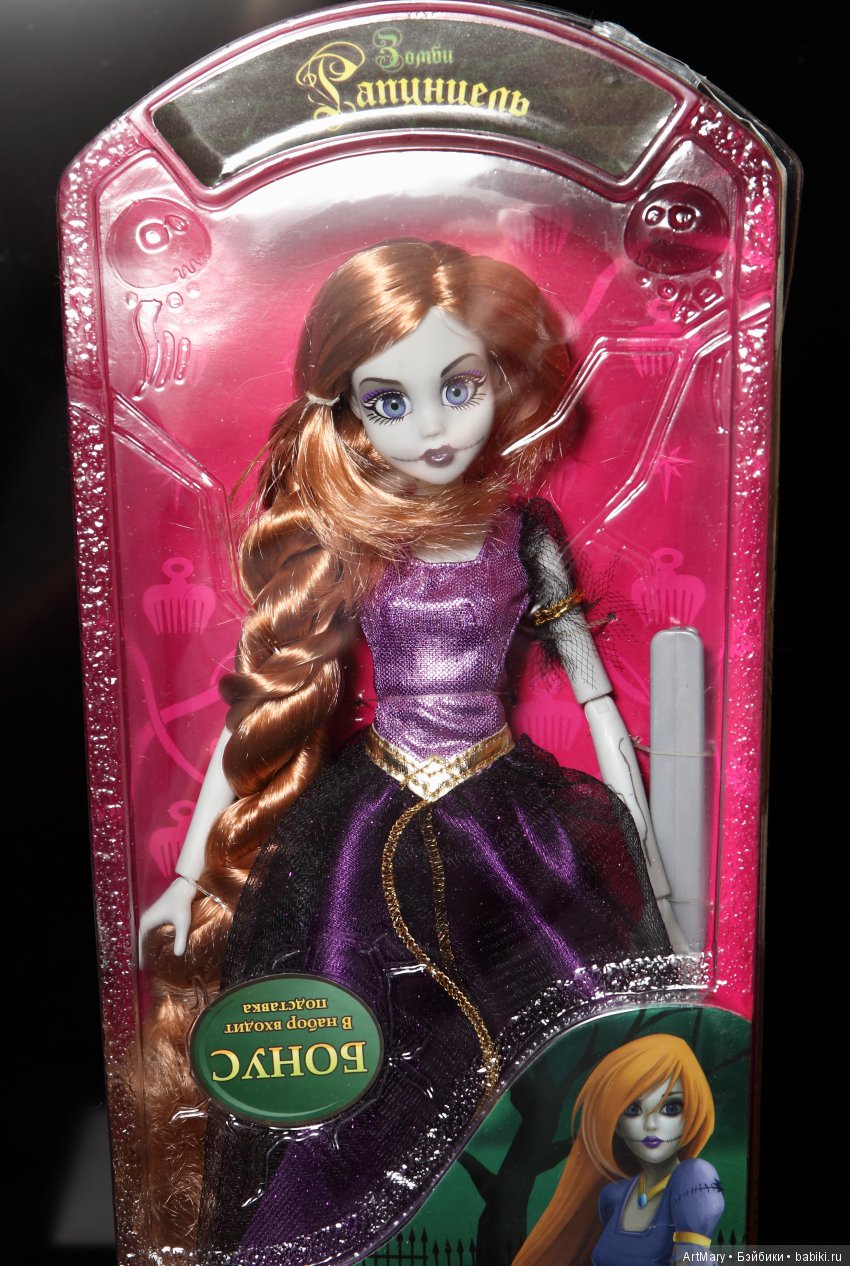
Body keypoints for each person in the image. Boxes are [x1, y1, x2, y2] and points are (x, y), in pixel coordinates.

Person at [139, 239, 678, 1264]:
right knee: (349, 1039)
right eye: (388, 401)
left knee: (555, 1029)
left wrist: (653, 875)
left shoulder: (524, 530)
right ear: (345, 412)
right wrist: (185, 877)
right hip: (366, 817)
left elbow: (598, 699)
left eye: (458, 387)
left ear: (502, 380)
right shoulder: (352, 535)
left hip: (507, 813)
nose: (432, 426)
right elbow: (265, 709)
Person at [512, 1033, 724, 1266]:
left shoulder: (694, 1180)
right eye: (633, 1110)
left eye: (670, 1108)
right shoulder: (613, 1196)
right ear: (616, 1124)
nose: (651, 1125)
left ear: (692, 1112)